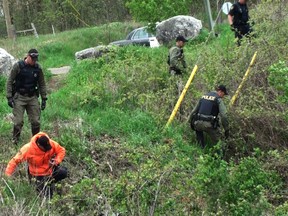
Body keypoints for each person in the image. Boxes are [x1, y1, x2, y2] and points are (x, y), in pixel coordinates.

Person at [5, 132, 67, 198]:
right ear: (39, 145)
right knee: (47, 196)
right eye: (45, 148)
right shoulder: (27, 149)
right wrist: (7, 176)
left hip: (50, 170)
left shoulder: (50, 143)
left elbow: (61, 150)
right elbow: (14, 161)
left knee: (63, 172)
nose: (47, 149)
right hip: (37, 175)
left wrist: (57, 160)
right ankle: (42, 186)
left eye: (48, 147)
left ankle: (51, 182)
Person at [6, 49, 47, 144]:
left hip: (32, 97)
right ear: (28, 56)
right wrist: (9, 97)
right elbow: (9, 81)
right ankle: (15, 140)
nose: (34, 61)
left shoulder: (38, 68)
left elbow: (42, 84)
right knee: (18, 122)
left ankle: (35, 141)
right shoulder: (18, 66)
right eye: (32, 59)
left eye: (35, 59)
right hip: (20, 97)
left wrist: (44, 98)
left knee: (36, 121)